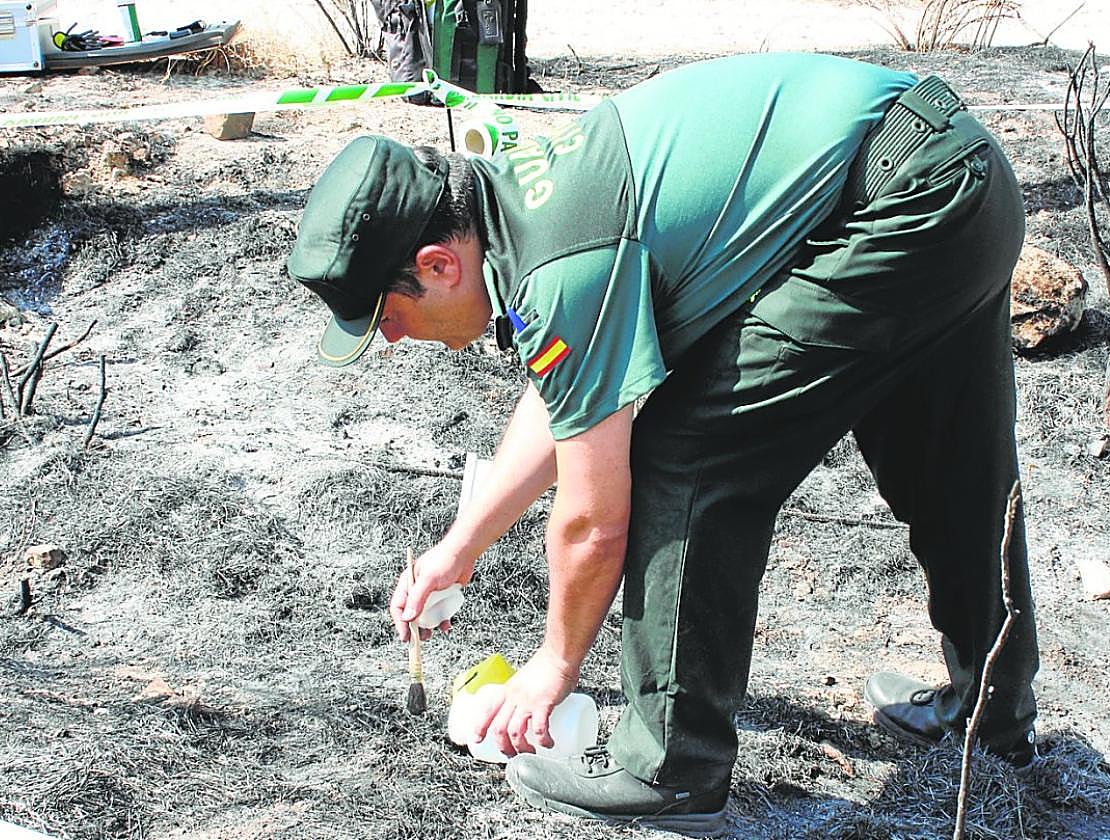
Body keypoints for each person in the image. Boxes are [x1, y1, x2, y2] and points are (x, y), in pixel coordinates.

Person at [285, 52, 1040, 835]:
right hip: (959, 174)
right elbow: (566, 396)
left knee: (687, 459)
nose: (395, 341)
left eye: (387, 318)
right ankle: (992, 712)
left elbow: (592, 520)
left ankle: (668, 771)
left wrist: (554, 667)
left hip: (899, 207)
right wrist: (460, 546)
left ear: (436, 266)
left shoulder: (560, 266)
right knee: (952, 465)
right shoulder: (516, 196)